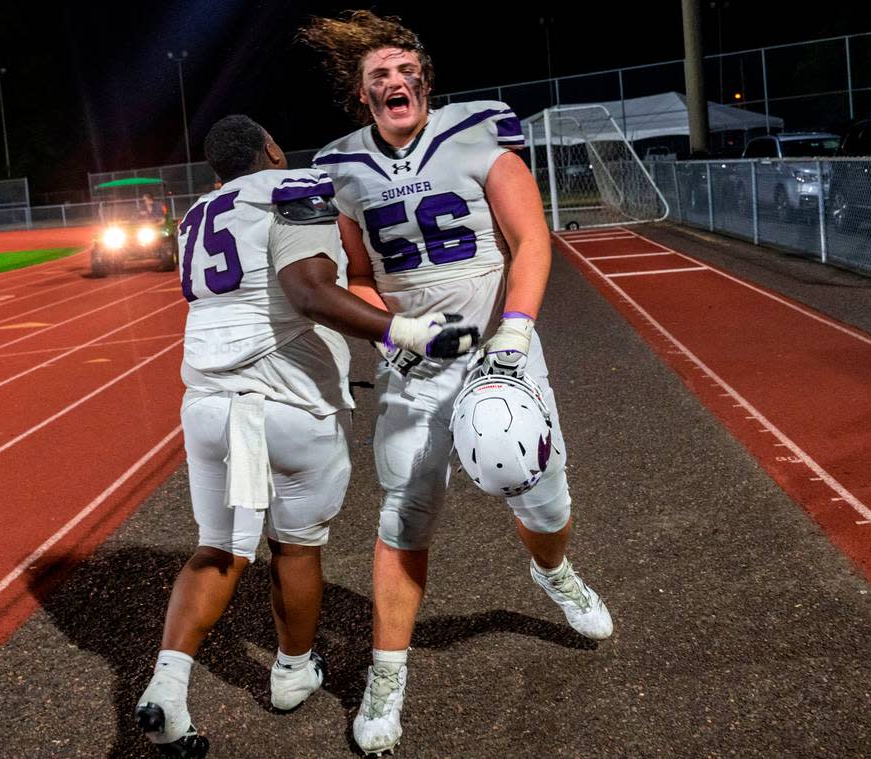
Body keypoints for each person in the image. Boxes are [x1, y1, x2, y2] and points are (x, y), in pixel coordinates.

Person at [300, 11, 613, 755]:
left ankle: (555, 572)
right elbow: (359, 276)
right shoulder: (340, 167)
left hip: (503, 345)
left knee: (542, 495)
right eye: (379, 74)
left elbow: (530, 237)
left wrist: (514, 332)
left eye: (405, 70)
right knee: (404, 513)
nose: (394, 81)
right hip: (416, 360)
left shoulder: (477, 131)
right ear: (361, 91)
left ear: (425, 82)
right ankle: (386, 673)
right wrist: (392, 333)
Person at [134, 113, 479, 758]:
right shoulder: (291, 187)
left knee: (218, 549)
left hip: (208, 404)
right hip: (287, 405)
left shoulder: (195, 215)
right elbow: (308, 291)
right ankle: (292, 672)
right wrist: (408, 334)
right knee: (295, 545)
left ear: (216, 173)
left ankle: (167, 688)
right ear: (271, 147)